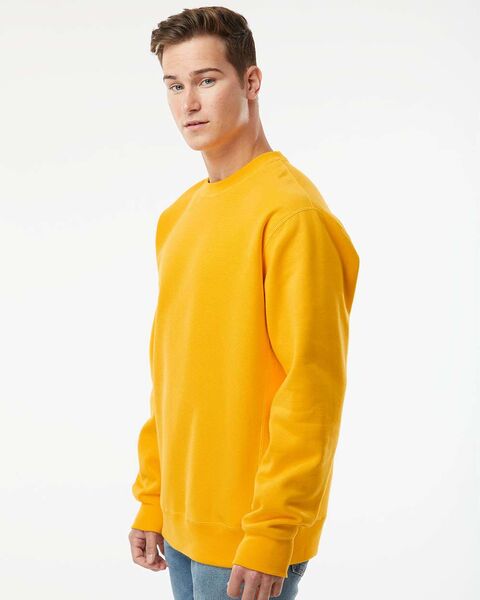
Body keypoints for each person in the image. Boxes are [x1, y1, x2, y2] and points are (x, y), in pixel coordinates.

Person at [127, 6, 360, 600]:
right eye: (174, 86)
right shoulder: (177, 218)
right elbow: (171, 377)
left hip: (248, 541)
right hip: (181, 528)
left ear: (251, 82)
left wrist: (272, 532)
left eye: (207, 80)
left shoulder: (292, 215)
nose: (189, 103)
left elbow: (311, 392)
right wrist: (154, 499)